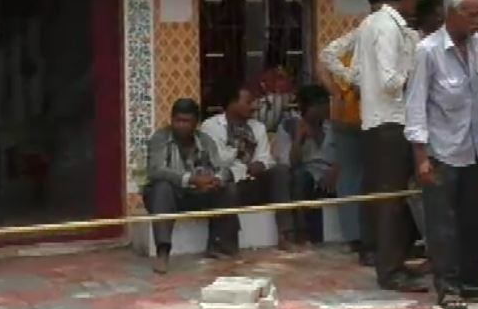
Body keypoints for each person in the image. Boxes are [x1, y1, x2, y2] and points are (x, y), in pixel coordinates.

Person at [406, 0, 478, 309]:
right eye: (471, 15)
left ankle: (474, 278)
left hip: (477, 149)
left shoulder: (476, 46)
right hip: (442, 151)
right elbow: (415, 104)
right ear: (452, 14)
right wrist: (421, 156)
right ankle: (449, 287)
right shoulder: (427, 51)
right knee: (443, 226)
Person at [356, 0, 428, 293]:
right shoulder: (388, 28)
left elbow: (359, 74)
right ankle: (390, 270)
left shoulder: (369, 24)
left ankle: (395, 263)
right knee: (391, 201)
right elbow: (389, 81)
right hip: (391, 122)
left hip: (376, 121)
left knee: (392, 198)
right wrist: (414, 64)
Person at [318, 0, 382, 265]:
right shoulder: (363, 37)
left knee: (359, 176)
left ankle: (363, 237)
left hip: (365, 117)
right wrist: (339, 92)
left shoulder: (365, 36)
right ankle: (358, 237)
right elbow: (324, 61)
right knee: (356, 176)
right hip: (354, 119)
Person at [142, 98, 234, 274]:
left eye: (186, 121)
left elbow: (222, 168)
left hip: (197, 193)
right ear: (171, 120)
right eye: (178, 120)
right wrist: (190, 179)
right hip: (170, 195)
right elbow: (155, 170)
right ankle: (162, 253)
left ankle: (220, 246)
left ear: (195, 123)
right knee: (162, 187)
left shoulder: (205, 140)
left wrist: (215, 180)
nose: (181, 126)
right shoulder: (160, 138)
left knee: (227, 188)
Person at [200, 85, 274, 259]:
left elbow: (265, 159)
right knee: (227, 188)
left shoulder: (258, 128)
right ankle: (223, 245)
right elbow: (218, 161)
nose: (254, 106)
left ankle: (288, 233)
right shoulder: (211, 127)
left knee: (280, 172)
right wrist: (239, 151)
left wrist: (260, 165)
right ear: (232, 103)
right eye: (248, 102)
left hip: (251, 182)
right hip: (223, 184)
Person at [274, 84, 335, 250]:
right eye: (322, 105)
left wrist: (335, 171)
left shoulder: (333, 125)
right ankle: (302, 234)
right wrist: (298, 140)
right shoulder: (289, 125)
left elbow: (345, 155)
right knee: (300, 177)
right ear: (309, 107)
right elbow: (290, 163)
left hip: (332, 174)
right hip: (305, 173)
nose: (327, 108)